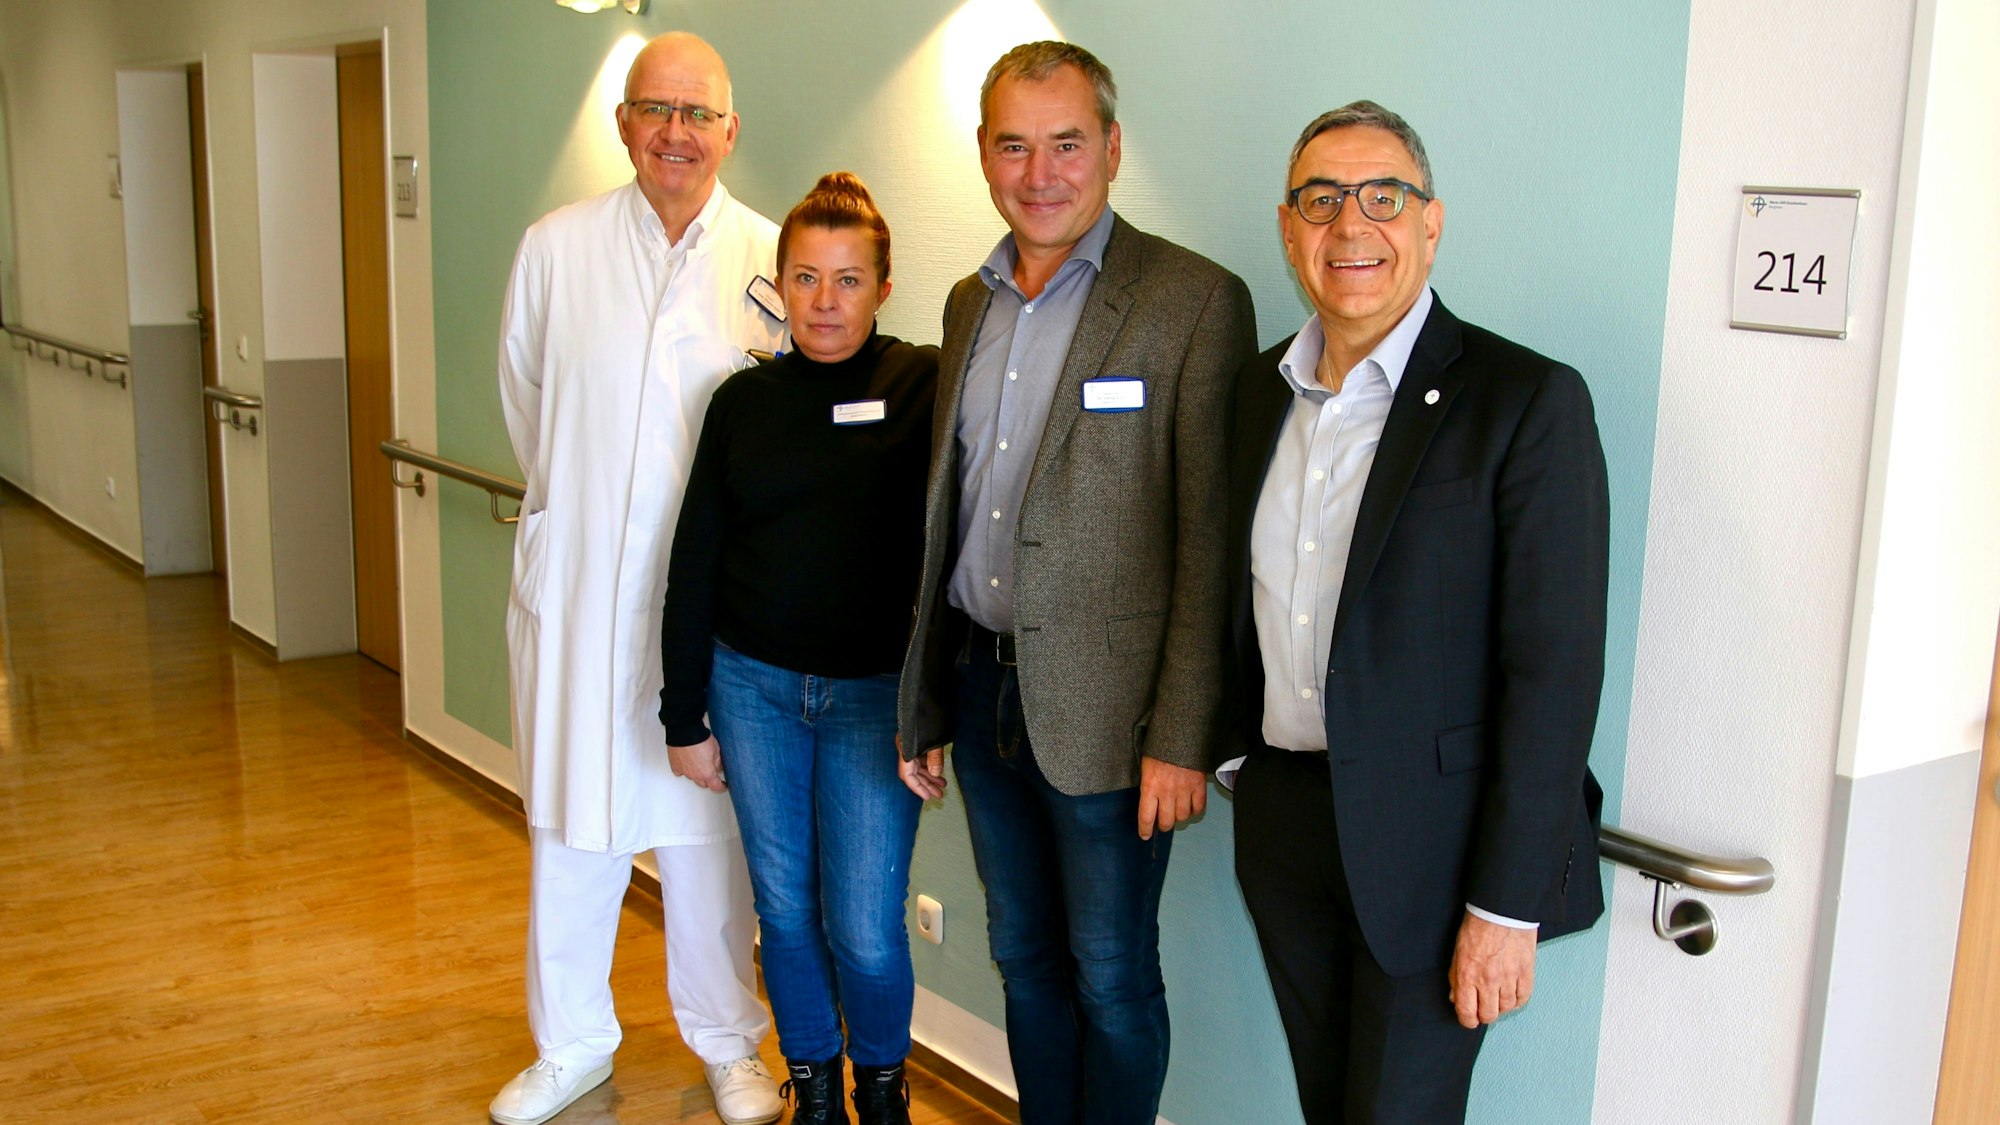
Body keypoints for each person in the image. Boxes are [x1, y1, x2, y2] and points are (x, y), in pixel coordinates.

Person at [1222, 100, 1609, 1123]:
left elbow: (1553, 672)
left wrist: (1503, 903)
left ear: (1429, 223)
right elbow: (1230, 590)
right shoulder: (1254, 392)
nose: (1349, 225)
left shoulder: (1524, 401)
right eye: (1319, 200)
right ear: (1286, 225)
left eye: (1380, 196)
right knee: (1327, 1105)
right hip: (1287, 826)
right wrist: (1232, 759)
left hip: (1438, 855)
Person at [895, 41, 1255, 1125]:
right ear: (983, 155)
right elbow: (945, 518)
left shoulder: (1192, 300)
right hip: (979, 686)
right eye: (1014, 144)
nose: (1038, 171)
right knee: (1024, 960)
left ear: (1108, 147)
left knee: (1109, 974)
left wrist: (1183, 733)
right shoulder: (969, 301)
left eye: (1064, 143)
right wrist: (922, 697)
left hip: (1114, 718)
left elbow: (1209, 540)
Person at [493, 32, 786, 1125]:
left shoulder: (768, 256)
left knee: (707, 839)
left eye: (698, 114)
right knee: (571, 831)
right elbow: (528, 402)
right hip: (575, 596)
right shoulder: (554, 247)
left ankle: (727, 1044)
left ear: (729, 130)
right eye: (655, 110)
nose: (676, 132)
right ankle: (569, 1044)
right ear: (623, 123)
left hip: (707, 607)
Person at [659, 172, 937, 1125]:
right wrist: (682, 712)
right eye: (807, 278)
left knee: (863, 925)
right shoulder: (742, 402)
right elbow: (694, 558)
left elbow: (959, 558)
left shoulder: (923, 385)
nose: (826, 301)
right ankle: (814, 1084)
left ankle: (883, 1090)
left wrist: (932, 707)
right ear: (779, 285)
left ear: (883, 285)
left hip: (873, 700)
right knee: (783, 911)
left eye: (849, 279)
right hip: (754, 688)